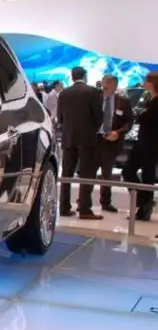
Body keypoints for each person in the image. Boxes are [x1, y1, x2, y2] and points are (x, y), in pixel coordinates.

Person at [57, 66, 104, 220]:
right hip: (87, 138)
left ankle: (64, 207)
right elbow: (99, 117)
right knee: (86, 174)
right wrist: (92, 129)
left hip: (68, 138)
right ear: (85, 76)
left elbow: (60, 117)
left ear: (72, 77)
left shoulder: (64, 93)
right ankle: (84, 209)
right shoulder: (93, 92)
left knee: (66, 174)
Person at [122, 72, 158, 221]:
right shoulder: (150, 99)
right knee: (128, 170)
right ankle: (145, 201)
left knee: (147, 175)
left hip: (151, 143)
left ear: (152, 83)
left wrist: (141, 116)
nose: (143, 82)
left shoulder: (156, 102)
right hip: (143, 141)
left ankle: (144, 207)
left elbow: (149, 120)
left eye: (146, 80)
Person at [97, 74, 133, 213]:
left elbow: (129, 122)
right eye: (104, 82)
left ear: (115, 85)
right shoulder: (95, 99)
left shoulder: (123, 102)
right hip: (94, 140)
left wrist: (118, 132)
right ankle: (84, 203)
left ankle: (105, 202)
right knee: (88, 172)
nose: (105, 85)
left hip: (111, 142)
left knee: (107, 174)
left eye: (109, 83)